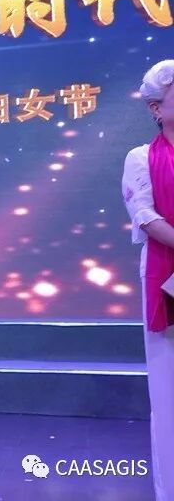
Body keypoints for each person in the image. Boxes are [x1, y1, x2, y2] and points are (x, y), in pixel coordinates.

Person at [123, 59, 174, 500]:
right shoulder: (141, 158)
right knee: (170, 392)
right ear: (156, 108)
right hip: (167, 278)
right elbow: (144, 214)